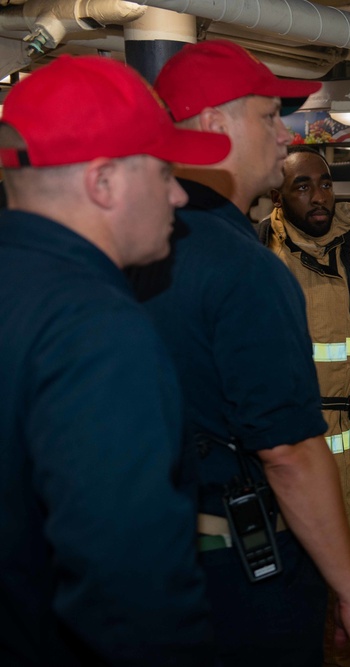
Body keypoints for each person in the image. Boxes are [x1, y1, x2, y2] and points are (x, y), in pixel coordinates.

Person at [130, 39, 350, 667]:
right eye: (268, 117)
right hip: (238, 572)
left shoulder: (129, 242)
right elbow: (287, 452)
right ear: (215, 126)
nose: (287, 136)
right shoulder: (247, 269)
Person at [0, 55, 230, 665]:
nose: (180, 195)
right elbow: (129, 583)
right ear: (102, 183)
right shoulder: (97, 329)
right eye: (163, 173)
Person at [263, 145, 350, 666]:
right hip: (284, 447)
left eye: (324, 183)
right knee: (290, 587)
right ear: (279, 194)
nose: (318, 196)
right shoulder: (261, 256)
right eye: (302, 186)